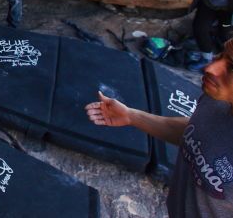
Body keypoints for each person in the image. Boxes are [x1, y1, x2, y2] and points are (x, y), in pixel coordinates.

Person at [85, 39, 233, 217]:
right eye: (221, 55)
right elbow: (199, 131)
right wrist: (131, 116)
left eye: (231, 67)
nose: (210, 68)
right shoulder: (217, 99)